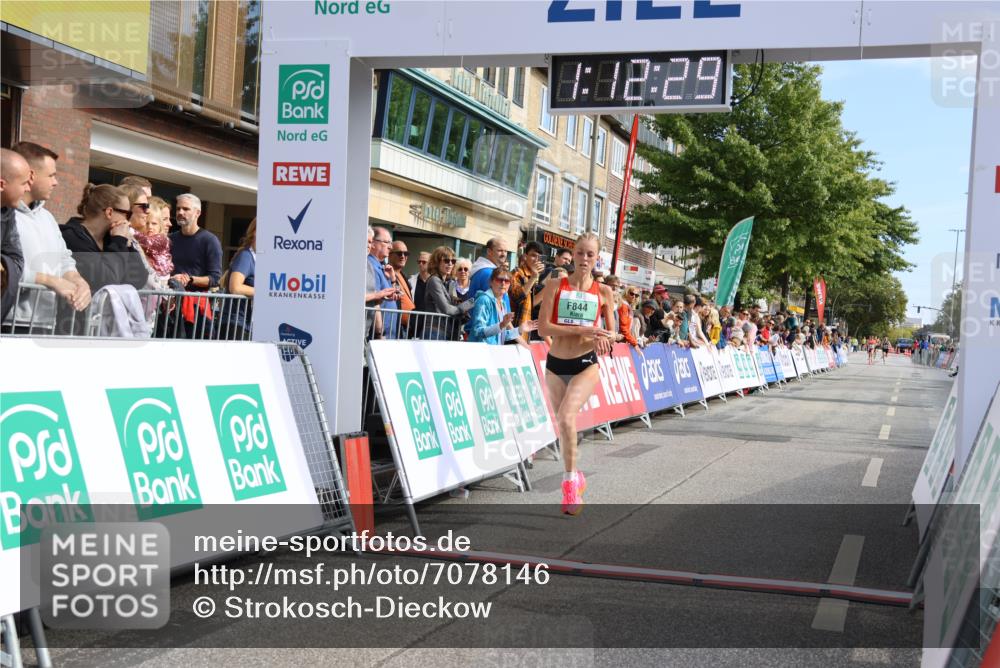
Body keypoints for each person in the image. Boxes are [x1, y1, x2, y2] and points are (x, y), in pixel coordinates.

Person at [536, 233, 616, 516]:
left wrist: (605, 337)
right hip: (556, 363)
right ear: (573, 253)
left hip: (586, 363)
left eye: (590, 254)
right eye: (580, 253)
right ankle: (576, 474)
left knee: (567, 416)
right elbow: (543, 328)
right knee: (563, 423)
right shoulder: (555, 285)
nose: (584, 259)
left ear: (597, 259)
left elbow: (613, 331)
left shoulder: (603, 291)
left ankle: (569, 484)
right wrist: (582, 330)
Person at [10, 142, 91, 329]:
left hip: (45, 323)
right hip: (8, 321)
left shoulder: (47, 218)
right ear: (31, 175)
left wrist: (77, 280)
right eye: (51, 175)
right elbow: (4, 268)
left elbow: (63, 259)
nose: (56, 182)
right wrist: (51, 281)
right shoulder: (5, 215)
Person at [61, 184, 149, 292]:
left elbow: (139, 279)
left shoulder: (111, 237)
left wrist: (127, 245)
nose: (128, 221)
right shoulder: (72, 237)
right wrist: (119, 240)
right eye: (127, 213)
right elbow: (107, 280)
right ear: (109, 212)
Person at [468, 267, 536, 344]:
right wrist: (501, 325)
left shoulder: (502, 303)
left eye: (507, 281)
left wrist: (520, 329)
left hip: (494, 350)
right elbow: (478, 331)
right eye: (499, 280)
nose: (503, 283)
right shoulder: (484, 300)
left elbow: (501, 335)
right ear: (491, 282)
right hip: (481, 350)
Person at [169, 193, 221, 292]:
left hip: (195, 299)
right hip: (170, 297)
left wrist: (190, 280)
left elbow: (215, 278)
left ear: (197, 213)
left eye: (186, 209)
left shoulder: (210, 240)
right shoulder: (170, 239)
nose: (180, 212)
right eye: (178, 209)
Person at [423, 246, 475, 340]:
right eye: (446, 261)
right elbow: (446, 309)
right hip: (434, 330)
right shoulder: (434, 280)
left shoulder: (446, 282)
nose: (450, 264)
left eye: (453, 261)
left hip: (444, 330)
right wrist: (464, 307)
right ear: (437, 262)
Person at [1, 149, 27, 322]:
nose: (27, 188)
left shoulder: (7, 214)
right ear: (2, 184)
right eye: (23, 183)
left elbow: (17, 261)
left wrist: (3, 265)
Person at [218, 219, 255, 339]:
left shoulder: (254, 257)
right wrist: (266, 293)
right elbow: (235, 287)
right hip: (236, 325)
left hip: (244, 324)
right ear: (255, 232)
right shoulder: (246, 256)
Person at [367, 226, 400, 338]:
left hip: (388, 333)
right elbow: (376, 301)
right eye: (386, 242)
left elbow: (393, 296)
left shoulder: (383, 267)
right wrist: (379, 332)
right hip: (380, 336)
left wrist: (393, 279)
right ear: (373, 243)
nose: (390, 247)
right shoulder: (370, 266)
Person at [509, 241, 545, 343]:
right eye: (533, 255)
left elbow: (532, 304)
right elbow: (517, 298)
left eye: (539, 257)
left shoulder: (535, 275)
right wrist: (533, 277)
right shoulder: (517, 273)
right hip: (513, 332)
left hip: (525, 333)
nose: (536, 259)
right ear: (525, 256)